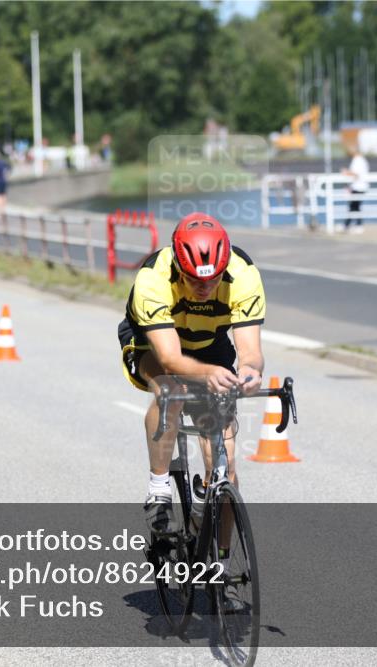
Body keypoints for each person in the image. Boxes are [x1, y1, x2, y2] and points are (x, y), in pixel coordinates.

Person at [117, 212, 266, 535]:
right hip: (154, 344)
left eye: (213, 279)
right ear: (179, 267)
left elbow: (250, 351)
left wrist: (250, 372)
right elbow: (170, 358)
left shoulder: (243, 274)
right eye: (195, 280)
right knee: (171, 390)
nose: (205, 287)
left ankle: (221, 567)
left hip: (210, 343)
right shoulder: (152, 278)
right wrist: (208, 373)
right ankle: (159, 489)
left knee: (225, 467)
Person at [342, 146, 370, 233]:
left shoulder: (358, 160)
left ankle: (353, 225)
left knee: (354, 206)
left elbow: (356, 174)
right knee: (354, 206)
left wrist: (346, 172)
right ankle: (349, 225)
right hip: (358, 186)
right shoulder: (361, 160)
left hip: (359, 186)